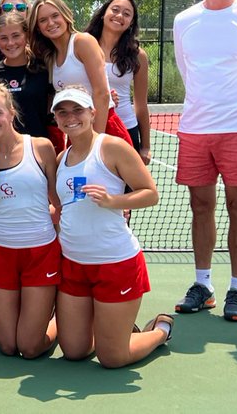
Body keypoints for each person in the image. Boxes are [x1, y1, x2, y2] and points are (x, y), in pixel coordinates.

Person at [50, 86, 173, 369]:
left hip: (115, 263)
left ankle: (160, 330)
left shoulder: (112, 147)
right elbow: (63, 206)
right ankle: (112, 331)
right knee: (74, 351)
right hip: (74, 265)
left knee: (112, 358)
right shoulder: (61, 159)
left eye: (78, 110)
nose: (70, 117)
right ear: (56, 118)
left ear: (93, 112)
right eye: (63, 112)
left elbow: (150, 193)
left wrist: (112, 200)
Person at [171, 0, 237, 321]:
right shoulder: (183, 20)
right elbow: (185, 69)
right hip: (195, 129)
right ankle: (203, 285)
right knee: (200, 207)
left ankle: (236, 289)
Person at [0, 81, 60, 358]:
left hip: (40, 252)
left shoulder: (41, 148)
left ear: (10, 112)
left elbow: (57, 201)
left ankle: (59, 323)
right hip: (0, 254)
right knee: (8, 346)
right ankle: (32, 321)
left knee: (29, 348)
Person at [28, 0, 130, 144]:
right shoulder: (51, 56)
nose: (50, 23)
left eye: (55, 15)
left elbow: (101, 93)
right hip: (77, 132)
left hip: (103, 128)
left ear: (65, 16)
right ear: (38, 27)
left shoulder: (83, 41)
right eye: (43, 20)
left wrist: (95, 142)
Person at [0, 10, 63, 153]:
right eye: (4, 38)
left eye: (16, 36)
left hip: (38, 150)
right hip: (2, 151)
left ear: (26, 36)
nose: (10, 43)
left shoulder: (43, 70)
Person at [86, 0, 151, 162]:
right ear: (103, 14)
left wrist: (145, 146)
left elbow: (141, 105)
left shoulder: (138, 56)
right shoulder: (82, 46)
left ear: (131, 23)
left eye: (127, 14)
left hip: (125, 129)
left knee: (128, 188)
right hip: (88, 129)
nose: (120, 16)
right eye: (115, 10)